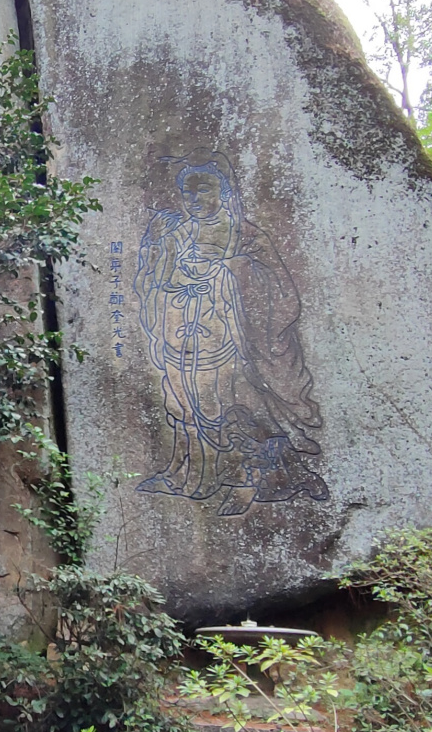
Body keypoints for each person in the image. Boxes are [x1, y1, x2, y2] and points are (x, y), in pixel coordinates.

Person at [133, 154, 327, 515]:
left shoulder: (245, 234)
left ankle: (256, 479)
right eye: (186, 192)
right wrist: (160, 261)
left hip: (228, 336)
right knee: (182, 404)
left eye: (202, 190)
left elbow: (279, 287)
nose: (193, 200)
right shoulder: (177, 232)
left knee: (235, 405)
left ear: (221, 192)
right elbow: (155, 280)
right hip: (180, 333)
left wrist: (222, 272)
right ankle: (189, 475)